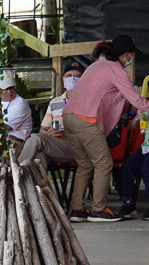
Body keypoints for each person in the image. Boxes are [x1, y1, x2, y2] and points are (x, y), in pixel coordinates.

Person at [63, 35, 149, 222]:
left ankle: (77, 209)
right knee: (103, 163)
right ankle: (98, 210)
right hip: (86, 119)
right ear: (125, 54)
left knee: (85, 164)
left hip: (69, 117)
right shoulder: (116, 70)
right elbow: (135, 99)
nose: (131, 59)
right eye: (131, 55)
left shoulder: (95, 66)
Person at [18, 61, 83, 166]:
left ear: (84, 79)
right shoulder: (55, 102)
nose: (72, 79)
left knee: (36, 139)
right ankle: (29, 177)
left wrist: (67, 136)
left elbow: (93, 133)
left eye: (77, 76)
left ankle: (13, 173)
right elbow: (43, 129)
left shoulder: (88, 101)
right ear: (63, 79)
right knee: (39, 158)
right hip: (55, 146)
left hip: (77, 148)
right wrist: (48, 134)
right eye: (69, 76)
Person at [0, 69, 33, 155]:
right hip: (3, 140)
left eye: (12, 87)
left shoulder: (20, 104)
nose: (9, 91)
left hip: (15, 143)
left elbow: (4, 128)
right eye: (6, 88)